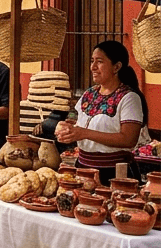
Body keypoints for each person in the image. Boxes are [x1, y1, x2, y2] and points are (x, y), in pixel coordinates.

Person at [57, 40, 151, 182]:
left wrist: (84, 133)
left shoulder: (129, 98)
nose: (93, 67)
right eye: (92, 61)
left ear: (116, 67)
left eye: (99, 61)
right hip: (83, 168)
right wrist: (65, 127)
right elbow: (74, 119)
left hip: (115, 173)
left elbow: (128, 139)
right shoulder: (89, 94)